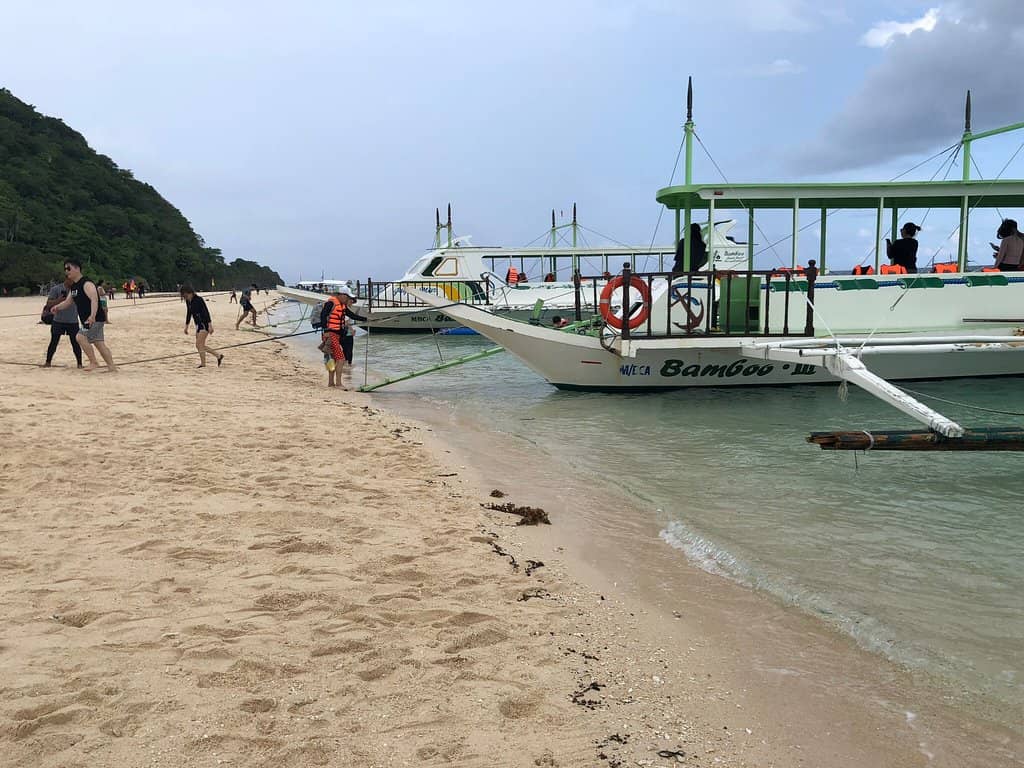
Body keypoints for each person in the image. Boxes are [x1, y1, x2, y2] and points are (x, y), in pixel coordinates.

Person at [48, 259, 116, 372]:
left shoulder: (86, 283)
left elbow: (94, 299)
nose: (66, 271)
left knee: (80, 337)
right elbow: (68, 302)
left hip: (94, 319)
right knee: (99, 343)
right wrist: (57, 307)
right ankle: (112, 367)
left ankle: (93, 362)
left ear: (77, 268)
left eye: (69, 268)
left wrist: (92, 316)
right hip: (90, 319)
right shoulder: (74, 286)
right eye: (65, 269)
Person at [319, 286, 366, 388]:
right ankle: (338, 383)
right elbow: (323, 315)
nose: (348, 299)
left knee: (332, 359)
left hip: (336, 335)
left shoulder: (342, 306)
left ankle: (331, 383)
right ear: (342, 295)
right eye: (347, 297)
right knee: (340, 358)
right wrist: (325, 330)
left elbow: (352, 315)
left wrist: (364, 319)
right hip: (331, 335)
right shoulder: (331, 303)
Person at [43, 275, 83, 368]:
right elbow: (48, 304)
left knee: (75, 343)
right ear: (67, 278)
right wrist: (59, 300)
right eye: (72, 280)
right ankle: (48, 362)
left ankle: (79, 364)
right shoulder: (56, 289)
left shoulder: (77, 289)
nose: (73, 282)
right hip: (58, 320)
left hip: (73, 321)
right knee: (53, 342)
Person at [181, 284, 224, 368]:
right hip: (197, 324)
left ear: (190, 292)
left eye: (185, 295)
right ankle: (218, 356)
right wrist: (186, 326)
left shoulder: (199, 300)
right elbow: (189, 313)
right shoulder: (188, 301)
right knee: (200, 345)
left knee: (199, 344)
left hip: (204, 324)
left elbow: (206, 312)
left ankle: (204, 364)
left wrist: (210, 325)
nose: (185, 297)